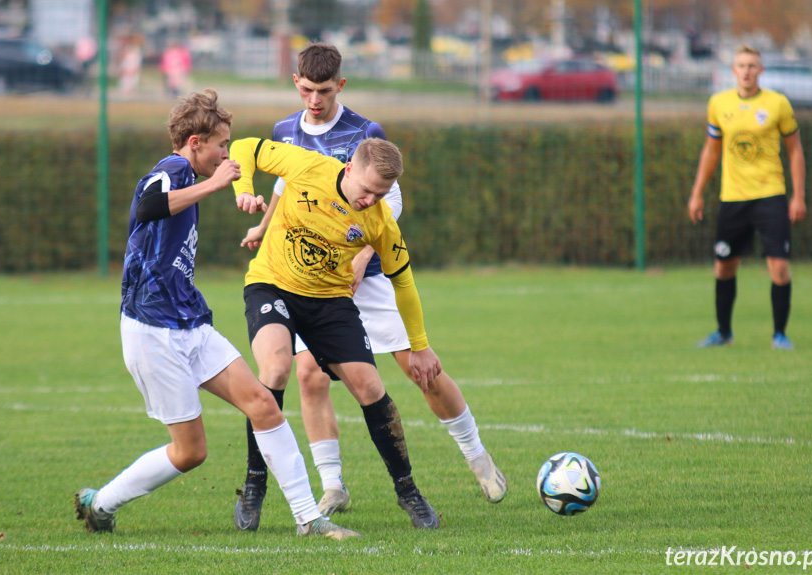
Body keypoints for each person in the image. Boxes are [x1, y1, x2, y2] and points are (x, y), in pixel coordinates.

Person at [230, 43, 507, 533]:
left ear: (340, 85)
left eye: (324, 90)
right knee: (299, 373)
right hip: (290, 271)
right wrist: (261, 224)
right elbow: (281, 184)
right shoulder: (288, 137)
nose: (315, 99)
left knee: (412, 370)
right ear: (297, 83)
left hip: (360, 271)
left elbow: (387, 204)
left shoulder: (367, 138)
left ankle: (475, 455)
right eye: (307, 89)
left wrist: (361, 252)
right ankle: (324, 484)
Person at [73, 89, 359, 541]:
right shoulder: (171, 170)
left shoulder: (188, 175)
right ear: (194, 143)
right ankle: (101, 503)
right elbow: (145, 205)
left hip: (191, 322)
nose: (227, 153)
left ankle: (310, 518)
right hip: (153, 332)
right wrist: (213, 183)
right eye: (221, 145)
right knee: (190, 453)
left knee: (264, 404)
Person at [230, 134, 444, 530]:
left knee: (370, 387)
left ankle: (409, 492)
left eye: (380, 195)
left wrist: (420, 347)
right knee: (276, 369)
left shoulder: (379, 220)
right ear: (349, 169)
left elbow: (405, 283)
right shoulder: (307, 165)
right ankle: (254, 484)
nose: (370, 201)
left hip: (330, 302)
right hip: (272, 284)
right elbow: (244, 146)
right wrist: (243, 190)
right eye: (366, 190)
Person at [688, 44, 806, 350]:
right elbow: (711, 150)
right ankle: (723, 332)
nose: (746, 71)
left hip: (770, 196)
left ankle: (780, 334)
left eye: (752, 65)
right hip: (733, 198)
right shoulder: (718, 104)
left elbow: (794, 150)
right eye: (741, 65)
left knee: (779, 267)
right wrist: (697, 193)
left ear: (761, 71)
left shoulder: (778, 104)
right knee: (724, 266)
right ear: (733, 71)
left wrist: (798, 196)